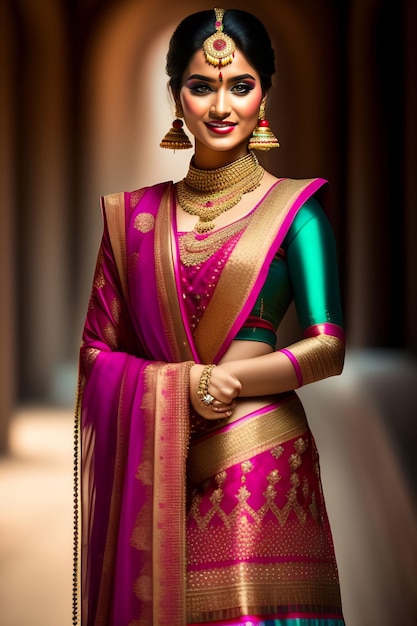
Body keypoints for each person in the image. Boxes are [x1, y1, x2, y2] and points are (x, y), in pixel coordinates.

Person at [74, 8, 346, 626]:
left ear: (264, 95)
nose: (221, 106)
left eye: (240, 85)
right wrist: (184, 386)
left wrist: (231, 382)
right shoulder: (133, 220)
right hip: (158, 465)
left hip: (260, 454)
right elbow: (96, 353)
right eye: (202, 86)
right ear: (176, 97)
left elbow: (327, 347)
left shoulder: (296, 212)